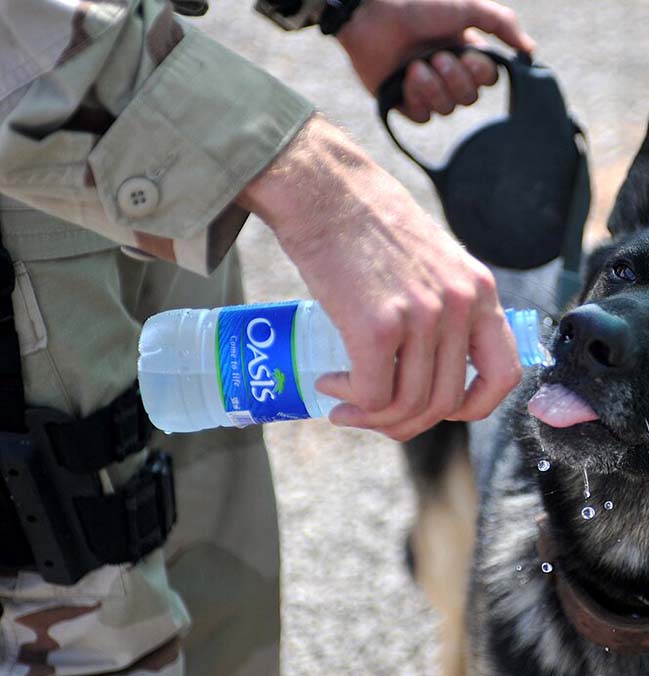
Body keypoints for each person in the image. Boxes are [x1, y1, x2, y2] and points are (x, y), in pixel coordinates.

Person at [0, 0, 531, 673]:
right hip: (36, 162)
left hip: (141, 143)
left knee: (217, 603)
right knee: (95, 629)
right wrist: (316, 184)